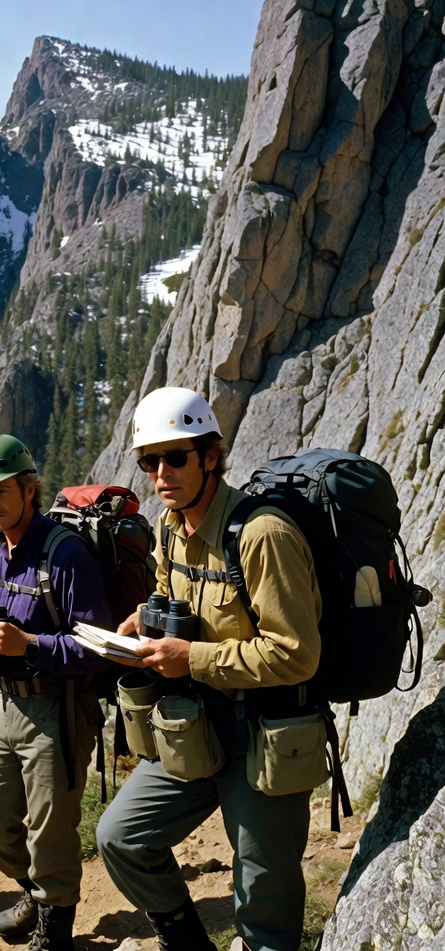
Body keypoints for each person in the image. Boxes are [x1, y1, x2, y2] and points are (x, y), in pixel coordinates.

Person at [96, 387, 322, 951]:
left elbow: (297, 654)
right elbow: (172, 598)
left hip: (264, 735)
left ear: (210, 457)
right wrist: (140, 622)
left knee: (262, 894)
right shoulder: (172, 528)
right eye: (151, 461)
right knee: (121, 836)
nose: (161, 473)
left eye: (176, 457)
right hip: (195, 727)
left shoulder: (262, 535)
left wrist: (191, 658)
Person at [0, 434, 113, 951]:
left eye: (0, 492)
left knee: (50, 830)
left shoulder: (65, 556)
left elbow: (98, 646)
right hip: (3, 704)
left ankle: (55, 930)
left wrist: (31, 644)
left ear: (28, 488)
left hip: (57, 706)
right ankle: (38, 893)